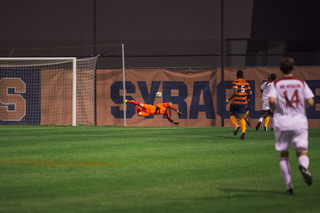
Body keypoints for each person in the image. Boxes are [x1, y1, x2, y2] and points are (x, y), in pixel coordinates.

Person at [269, 57, 314, 195]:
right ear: (293, 68)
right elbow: (311, 102)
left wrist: (274, 108)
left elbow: (271, 100)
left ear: (281, 69)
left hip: (282, 122)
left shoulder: (276, 84)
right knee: (301, 152)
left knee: (284, 155)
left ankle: (289, 186)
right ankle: (303, 166)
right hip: (299, 122)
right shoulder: (301, 83)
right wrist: (301, 107)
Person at [225, 70, 252, 140]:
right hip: (243, 102)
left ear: (237, 75)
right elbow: (250, 93)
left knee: (232, 114)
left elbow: (234, 93)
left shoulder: (235, 82)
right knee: (242, 117)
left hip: (235, 102)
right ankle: (243, 131)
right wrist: (247, 99)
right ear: (243, 76)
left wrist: (228, 100)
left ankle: (236, 126)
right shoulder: (246, 84)